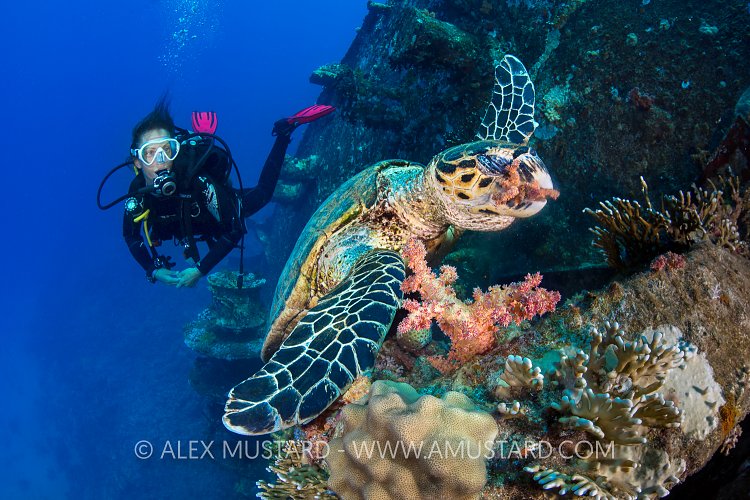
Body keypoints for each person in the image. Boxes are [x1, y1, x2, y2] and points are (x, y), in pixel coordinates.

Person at [122, 98, 333, 287]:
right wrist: (153, 270)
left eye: (167, 150)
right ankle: (204, 139)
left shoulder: (196, 181)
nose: (160, 161)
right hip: (190, 227)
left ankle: (284, 132)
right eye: (150, 153)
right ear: (137, 162)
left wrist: (200, 270)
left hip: (218, 209)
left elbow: (234, 229)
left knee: (263, 193)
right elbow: (130, 235)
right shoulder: (137, 193)